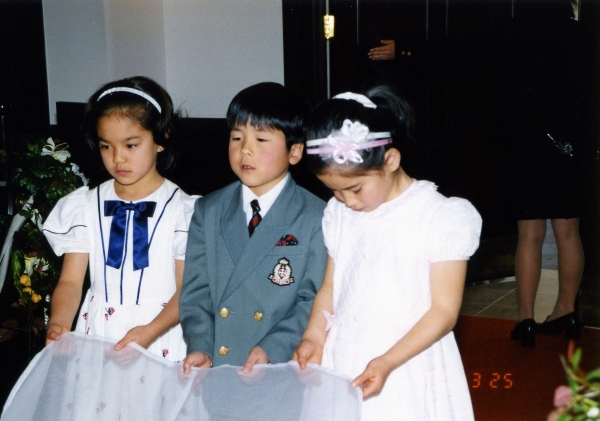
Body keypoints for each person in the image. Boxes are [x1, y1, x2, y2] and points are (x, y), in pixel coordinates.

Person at [293, 86, 481, 420]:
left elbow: (443, 311)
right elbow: (331, 288)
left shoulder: (439, 216)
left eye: (355, 189)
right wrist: (314, 336)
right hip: (346, 356)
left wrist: (387, 361)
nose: (348, 201)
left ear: (391, 160)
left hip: (407, 362)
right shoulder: (339, 214)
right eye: (335, 192)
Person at [43, 76, 197, 362]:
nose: (118, 158)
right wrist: (59, 322)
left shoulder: (183, 211)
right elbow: (71, 282)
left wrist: (150, 333)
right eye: (106, 146)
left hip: (159, 336)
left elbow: (187, 292)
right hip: (99, 335)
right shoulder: (85, 206)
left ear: (161, 139)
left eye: (131, 145)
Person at [180, 82, 328, 374]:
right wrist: (200, 346)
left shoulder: (316, 216)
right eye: (237, 137)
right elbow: (195, 293)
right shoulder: (208, 210)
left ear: (295, 151)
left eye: (261, 139)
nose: (245, 150)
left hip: (280, 366)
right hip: (219, 365)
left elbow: (311, 300)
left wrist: (273, 349)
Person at [509, 0, 586, 347]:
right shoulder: (580, 34)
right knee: (568, 233)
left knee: (530, 235)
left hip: (527, 143)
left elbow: (464, 52)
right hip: (570, 145)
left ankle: (526, 319)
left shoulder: (516, 32)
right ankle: (567, 311)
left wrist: (405, 51)